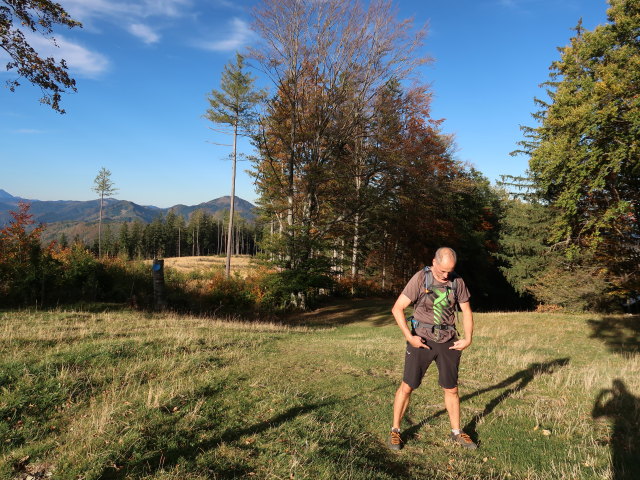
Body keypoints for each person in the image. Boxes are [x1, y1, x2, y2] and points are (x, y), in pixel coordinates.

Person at [388, 247, 477, 450]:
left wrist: (468, 338)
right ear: (434, 262)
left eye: (450, 271)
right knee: (407, 386)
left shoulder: (457, 282)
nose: (446, 275)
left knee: (451, 389)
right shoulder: (420, 278)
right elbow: (397, 308)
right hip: (422, 341)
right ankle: (395, 431)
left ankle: (456, 432)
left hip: (448, 341)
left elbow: (466, 310)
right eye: (442, 271)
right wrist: (410, 337)